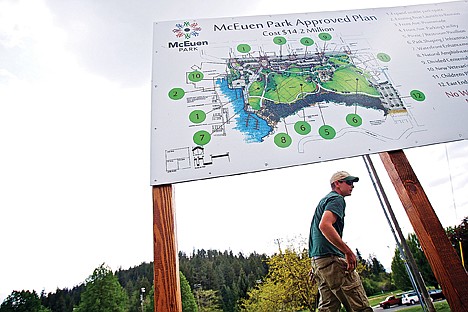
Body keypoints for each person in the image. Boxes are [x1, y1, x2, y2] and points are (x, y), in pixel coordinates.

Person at [308, 171, 373, 312]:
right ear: (337, 184)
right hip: (331, 261)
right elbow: (324, 226)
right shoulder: (336, 199)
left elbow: (316, 232)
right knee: (359, 306)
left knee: (328, 308)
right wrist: (348, 252)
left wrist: (316, 264)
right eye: (349, 182)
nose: (352, 186)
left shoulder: (324, 200)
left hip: (320, 262)